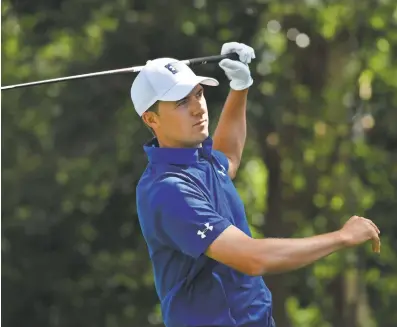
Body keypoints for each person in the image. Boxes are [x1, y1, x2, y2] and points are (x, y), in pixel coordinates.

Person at [130, 42, 381, 327]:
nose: (198, 109)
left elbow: (230, 158)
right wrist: (342, 237)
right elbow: (252, 258)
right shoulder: (168, 190)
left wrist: (240, 87)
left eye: (198, 94)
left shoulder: (198, 159)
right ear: (151, 119)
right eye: (181, 103)